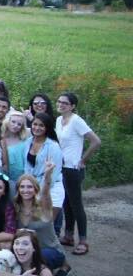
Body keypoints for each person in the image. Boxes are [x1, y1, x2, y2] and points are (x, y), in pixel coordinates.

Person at [54, 92, 100, 256]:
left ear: (72, 106)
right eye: (59, 101)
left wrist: (83, 160)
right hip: (61, 167)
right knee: (66, 202)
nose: (61, 104)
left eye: (65, 103)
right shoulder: (59, 120)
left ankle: (83, 240)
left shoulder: (76, 121)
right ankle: (68, 236)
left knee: (76, 204)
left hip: (73, 168)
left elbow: (96, 141)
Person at [14, 168, 72, 276]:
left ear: (36, 189)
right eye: (22, 187)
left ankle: (51, 275)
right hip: (28, 250)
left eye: (29, 187)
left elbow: (45, 193)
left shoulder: (43, 207)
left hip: (50, 251)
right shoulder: (15, 208)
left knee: (39, 257)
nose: (25, 190)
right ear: (18, 189)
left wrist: (47, 175)